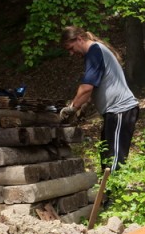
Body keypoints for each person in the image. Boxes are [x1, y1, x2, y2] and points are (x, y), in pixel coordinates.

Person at [58, 26, 139, 171]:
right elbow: (93, 89)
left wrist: (71, 108)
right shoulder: (95, 52)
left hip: (121, 110)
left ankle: (113, 193)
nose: (71, 53)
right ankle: (109, 192)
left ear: (79, 39)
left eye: (71, 48)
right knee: (106, 156)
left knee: (114, 161)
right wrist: (81, 108)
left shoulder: (94, 51)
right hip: (114, 112)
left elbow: (86, 88)